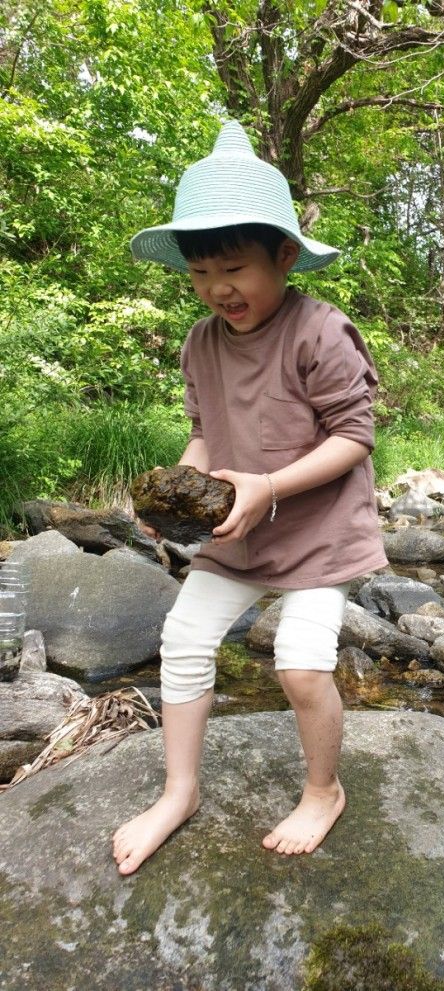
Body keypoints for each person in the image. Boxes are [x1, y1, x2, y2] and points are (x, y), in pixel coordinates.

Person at [112, 120, 388, 875]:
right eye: (200, 273)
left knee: (300, 667)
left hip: (318, 532)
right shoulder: (199, 342)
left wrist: (269, 484)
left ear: (285, 256)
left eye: (233, 267)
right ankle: (179, 789)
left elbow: (353, 437)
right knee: (183, 640)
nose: (217, 289)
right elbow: (204, 434)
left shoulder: (319, 331)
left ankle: (323, 789)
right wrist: (178, 489)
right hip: (236, 528)